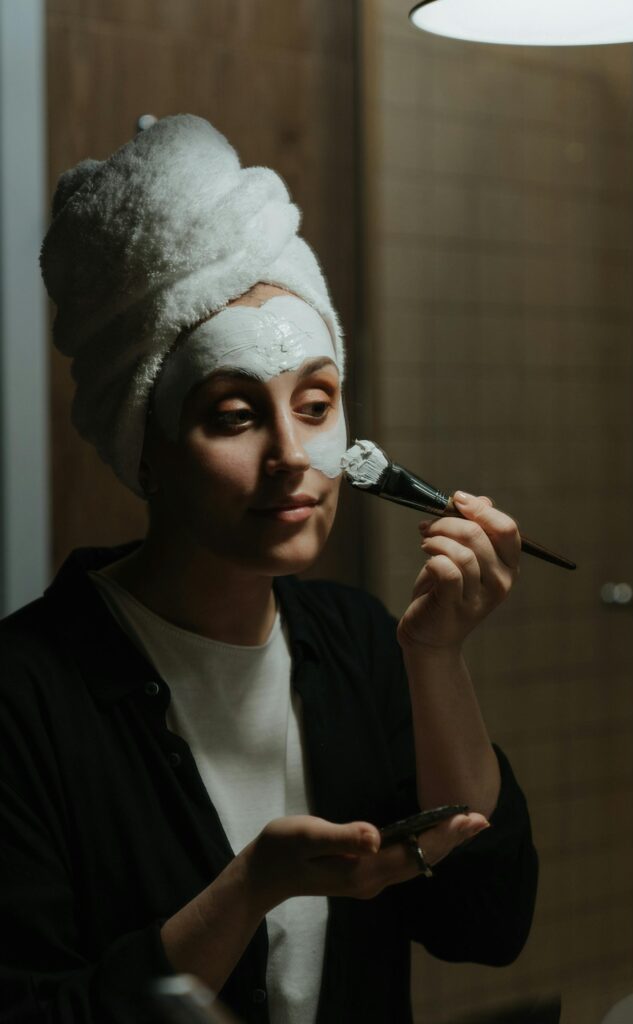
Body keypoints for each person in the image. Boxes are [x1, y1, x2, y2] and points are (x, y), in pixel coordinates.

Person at [0, 115, 537, 1024]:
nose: (293, 453)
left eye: (316, 403)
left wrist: (437, 658)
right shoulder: (28, 694)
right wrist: (248, 889)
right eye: (235, 414)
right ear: (148, 449)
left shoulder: (359, 642)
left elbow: (483, 923)